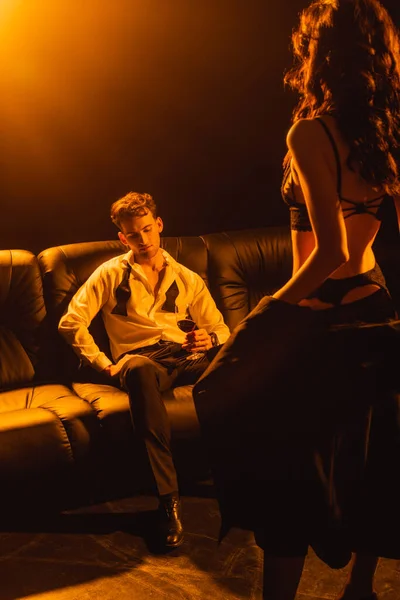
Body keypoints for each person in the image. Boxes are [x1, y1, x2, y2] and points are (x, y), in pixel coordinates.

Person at [193, 1, 400, 599]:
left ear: (320, 55)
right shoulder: (387, 127)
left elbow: (329, 250)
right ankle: (361, 590)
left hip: (323, 320)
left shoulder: (311, 131)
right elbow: (365, 243)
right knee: (374, 464)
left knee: (285, 475)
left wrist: (268, 313)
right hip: (377, 311)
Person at [58, 191, 230, 551]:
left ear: (159, 225)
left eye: (148, 230)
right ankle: (168, 501)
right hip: (143, 360)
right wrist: (105, 364)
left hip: (183, 354)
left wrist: (207, 339)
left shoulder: (186, 276)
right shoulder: (110, 274)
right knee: (136, 369)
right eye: (134, 234)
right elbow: (71, 322)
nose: (144, 240)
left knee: (241, 357)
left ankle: (253, 474)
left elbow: (222, 328)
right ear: (123, 237)